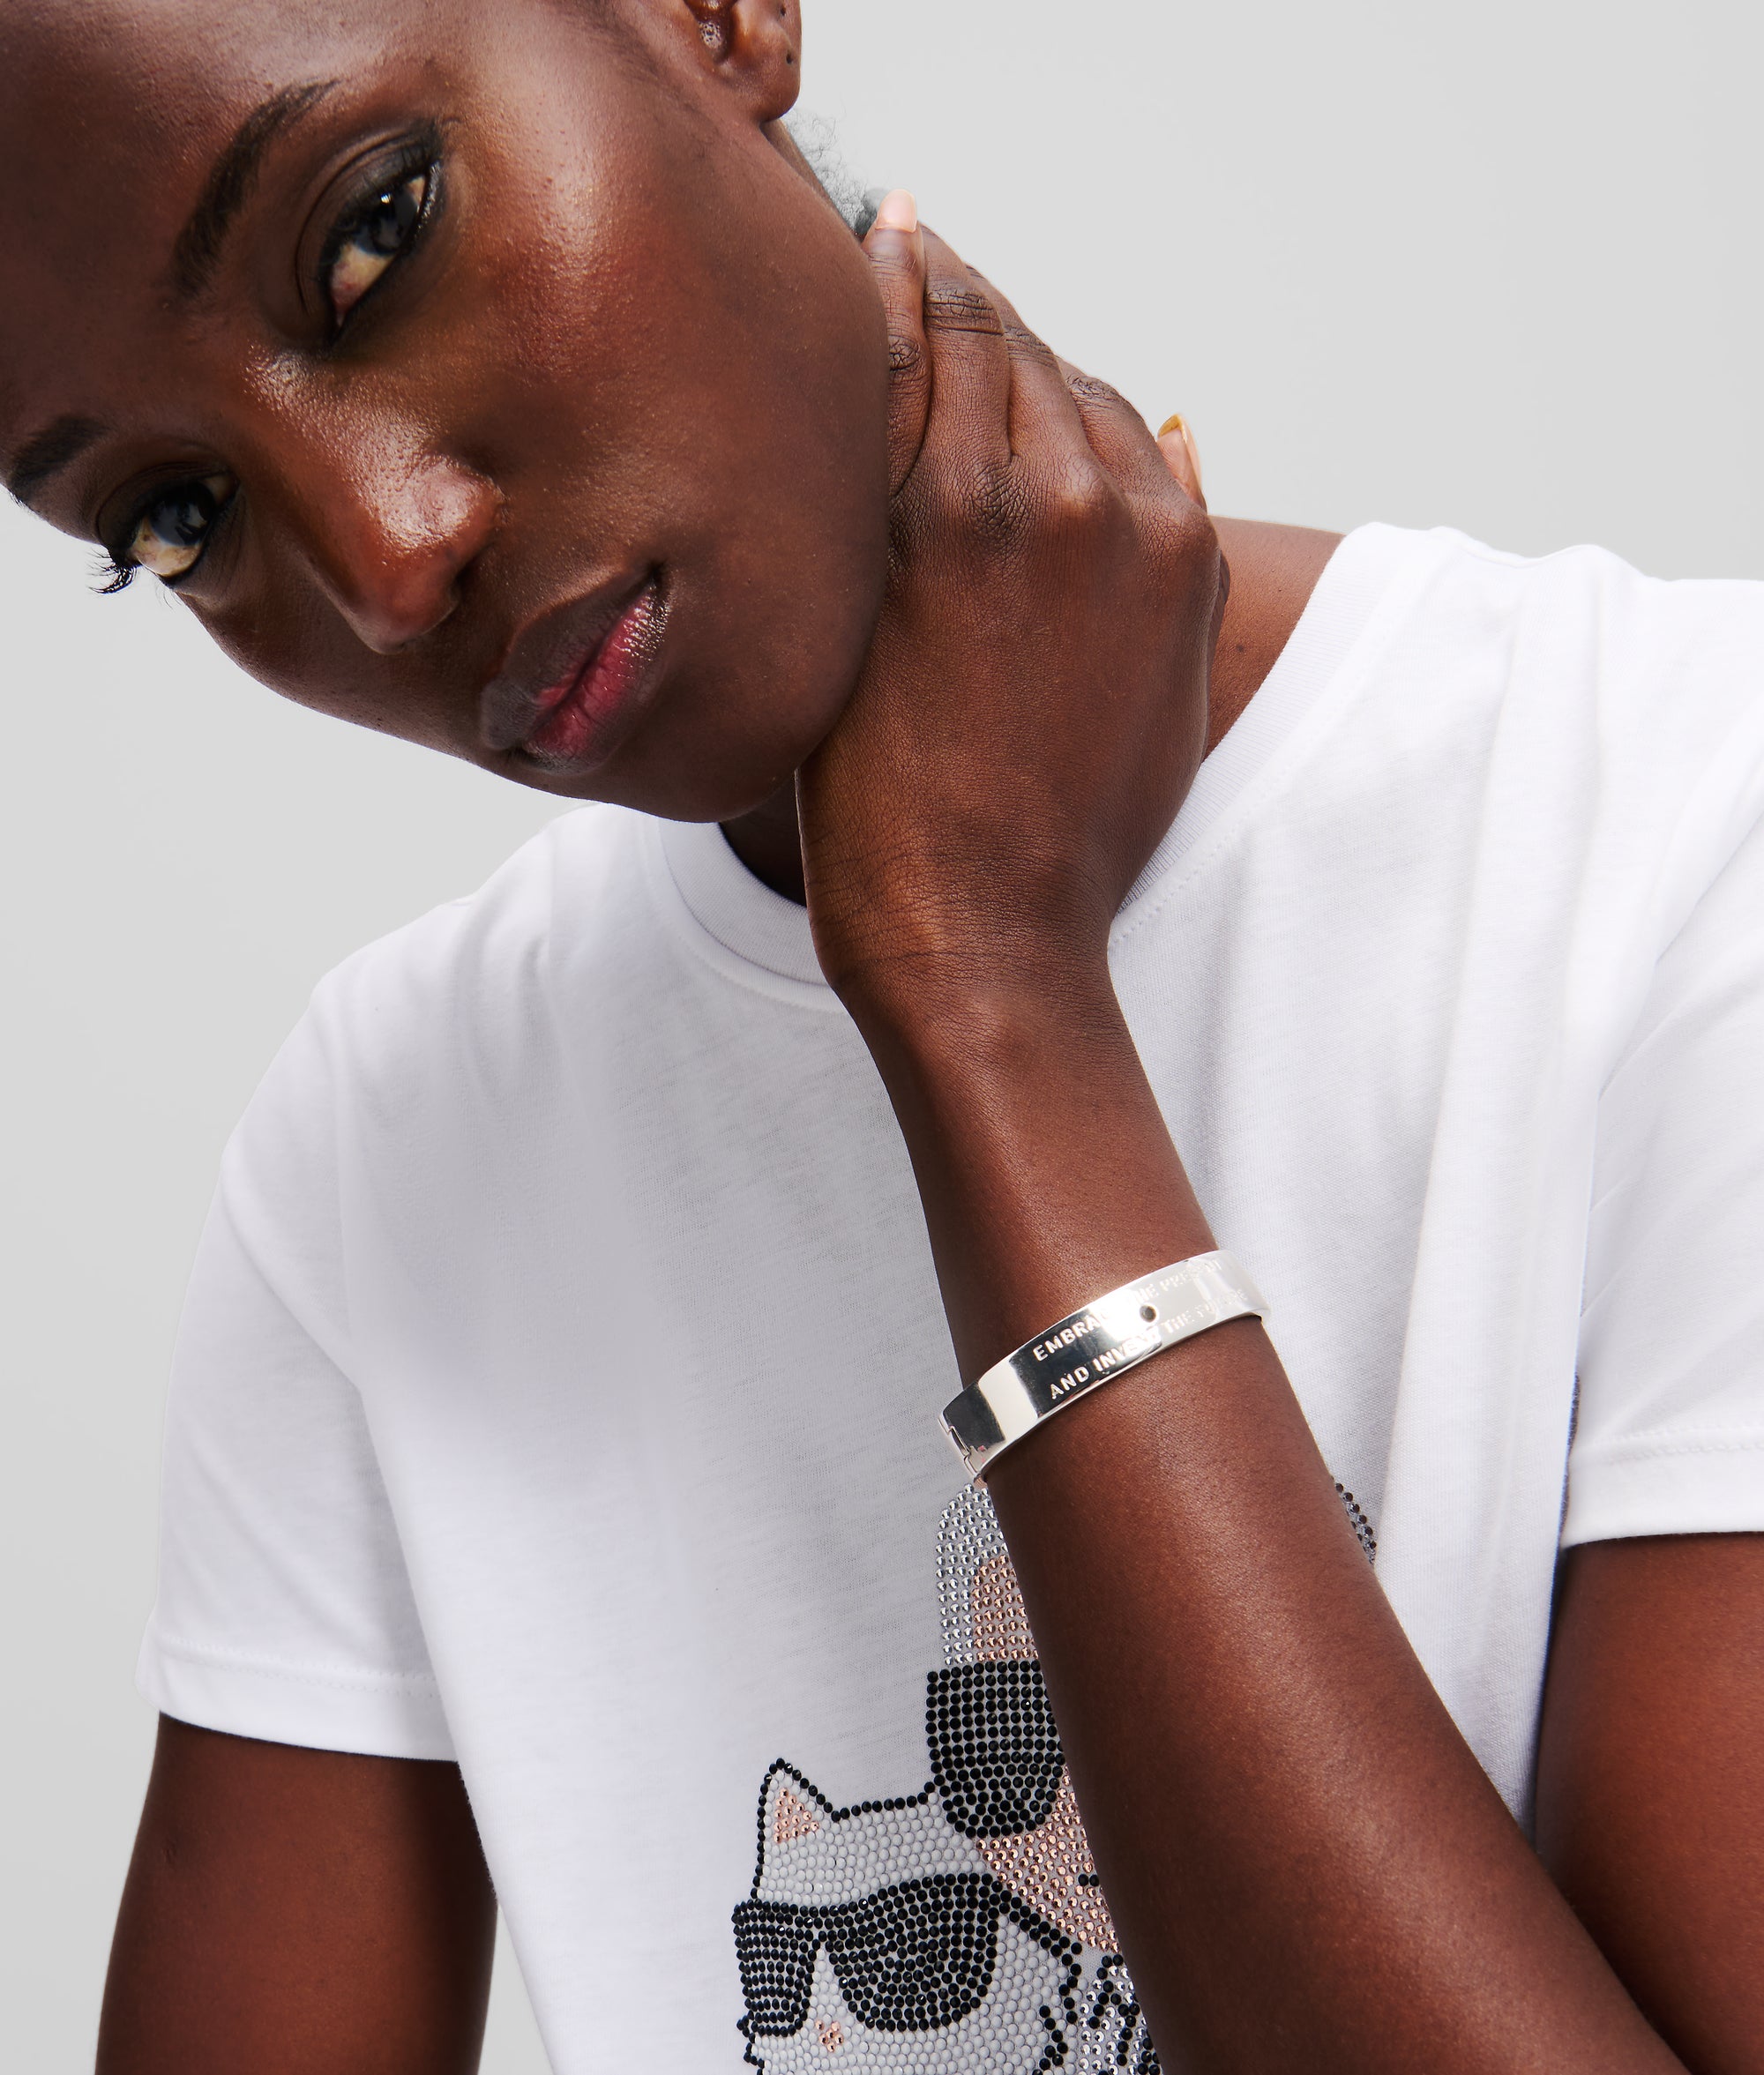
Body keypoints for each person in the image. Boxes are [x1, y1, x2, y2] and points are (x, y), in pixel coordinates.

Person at [4, 1, 1761, 2070]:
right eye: (178, 514)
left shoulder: (1677, 835)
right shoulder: (389, 1152)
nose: (387, 559)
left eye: (374, 233)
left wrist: (991, 1000)